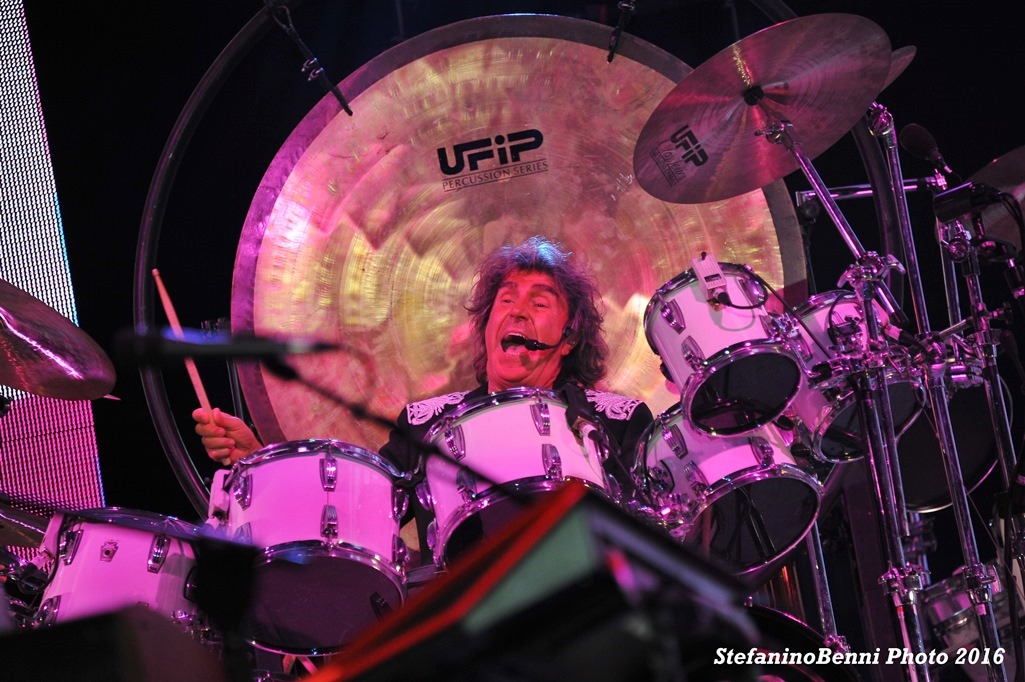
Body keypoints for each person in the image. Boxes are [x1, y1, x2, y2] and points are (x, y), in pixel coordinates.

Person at [193, 235, 654, 566]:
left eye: (539, 303)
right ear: (486, 326)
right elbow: (349, 512)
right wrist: (259, 461)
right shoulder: (425, 424)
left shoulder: (617, 421)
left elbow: (659, 536)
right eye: (506, 299)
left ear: (569, 337)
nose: (517, 310)